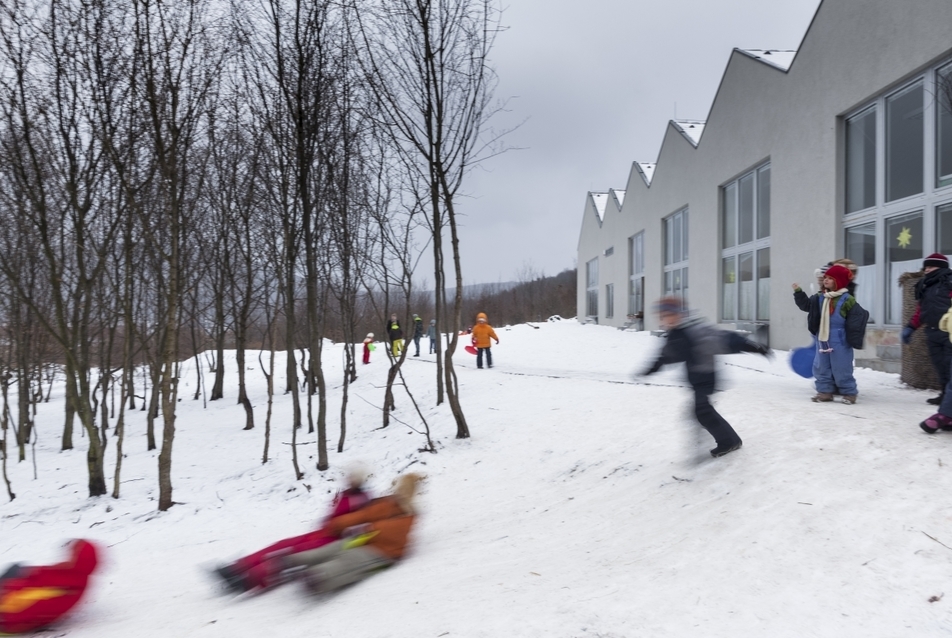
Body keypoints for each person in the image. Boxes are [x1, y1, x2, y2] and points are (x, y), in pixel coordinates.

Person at [638, 296, 771, 458]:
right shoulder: (674, 335)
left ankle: (729, 441)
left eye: (670, 314)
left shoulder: (695, 330)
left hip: (707, 377)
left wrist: (754, 346)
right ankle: (730, 439)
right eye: (663, 316)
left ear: (680, 313)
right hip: (695, 379)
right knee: (702, 412)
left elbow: (725, 339)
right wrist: (649, 370)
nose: (667, 319)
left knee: (702, 411)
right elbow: (666, 356)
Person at [213, 464, 372, 593]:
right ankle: (236, 568)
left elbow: (357, 524)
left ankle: (248, 580)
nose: (348, 479)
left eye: (352, 477)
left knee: (286, 554)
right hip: (320, 534)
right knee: (281, 545)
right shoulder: (345, 494)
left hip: (332, 541)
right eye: (348, 475)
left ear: (359, 480)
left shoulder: (361, 499)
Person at [276, 473, 424, 595]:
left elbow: (390, 531)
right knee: (338, 550)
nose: (400, 494)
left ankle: (317, 575)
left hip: (382, 553)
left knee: (350, 561)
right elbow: (364, 515)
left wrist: (368, 528)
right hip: (371, 544)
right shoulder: (390, 505)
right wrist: (340, 524)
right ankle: (299, 562)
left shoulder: (406, 515)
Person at [0, 539, 99, 634]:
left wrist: (5, 616)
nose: (69, 555)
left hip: (9, 616)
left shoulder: (71, 587)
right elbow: (41, 574)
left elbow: (37, 604)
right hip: (18, 589)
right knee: (16, 569)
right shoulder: (69, 571)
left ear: (80, 558)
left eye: (74, 553)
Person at [802, 264, 869, 404]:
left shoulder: (847, 299)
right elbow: (807, 306)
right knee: (821, 365)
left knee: (842, 366)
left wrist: (854, 336)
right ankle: (825, 391)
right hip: (822, 336)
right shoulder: (821, 297)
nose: (825, 280)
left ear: (838, 281)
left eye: (830, 278)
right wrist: (798, 293)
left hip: (839, 337)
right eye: (825, 277)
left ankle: (849, 392)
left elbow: (858, 316)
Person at [902, 253, 952, 405]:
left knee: (950, 367)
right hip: (932, 332)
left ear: (942, 267)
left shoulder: (949, 282)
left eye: (931, 266)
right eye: (926, 267)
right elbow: (921, 311)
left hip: (949, 333)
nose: (927, 270)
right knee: (940, 367)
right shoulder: (926, 285)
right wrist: (911, 327)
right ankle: (945, 396)